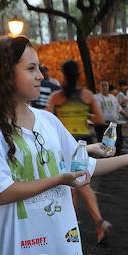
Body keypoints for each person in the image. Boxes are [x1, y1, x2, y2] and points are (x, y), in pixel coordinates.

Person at [0, 35, 128, 255]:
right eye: (31, 68)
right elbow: (2, 193)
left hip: (63, 249)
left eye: (39, 68)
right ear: (5, 74)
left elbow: (86, 166)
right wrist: (60, 179)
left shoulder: (48, 121)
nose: (41, 76)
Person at [46, 60, 115, 244]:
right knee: (80, 185)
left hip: (65, 144)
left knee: (75, 185)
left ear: (63, 75)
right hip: (85, 142)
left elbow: (46, 121)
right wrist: (84, 115)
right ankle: (89, 223)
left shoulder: (56, 97)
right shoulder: (87, 96)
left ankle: (87, 223)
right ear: (78, 75)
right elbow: (100, 119)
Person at [94, 80, 128, 153]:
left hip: (113, 124)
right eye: (102, 85)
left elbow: (120, 110)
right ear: (99, 87)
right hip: (102, 124)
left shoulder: (113, 97)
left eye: (106, 85)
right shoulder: (96, 97)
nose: (104, 87)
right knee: (103, 143)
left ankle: (116, 156)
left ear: (108, 87)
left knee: (117, 143)